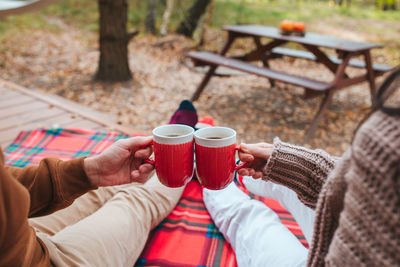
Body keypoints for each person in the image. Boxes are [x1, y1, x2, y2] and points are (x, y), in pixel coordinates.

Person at [203, 67, 400, 267]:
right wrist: (286, 162)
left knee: (252, 221)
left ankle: (209, 179)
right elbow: (352, 185)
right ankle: (238, 174)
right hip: (357, 215)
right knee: (283, 183)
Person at [0, 100, 200, 267]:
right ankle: (186, 156)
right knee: (136, 204)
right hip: (43, 261)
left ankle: (177, 144)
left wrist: (90, 171)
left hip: (19, 229)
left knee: (102, 186)